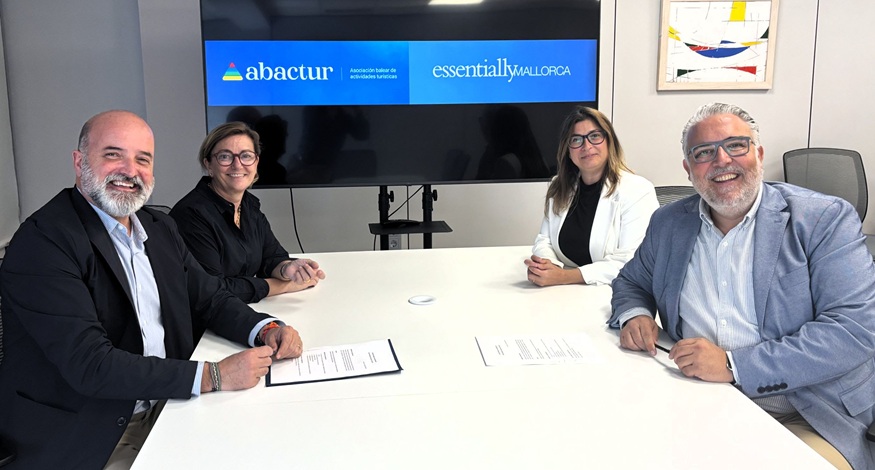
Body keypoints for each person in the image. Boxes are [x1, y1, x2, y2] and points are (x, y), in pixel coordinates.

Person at [0, 110, 305, 470]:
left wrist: (265, 329)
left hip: (170, 405)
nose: (130, 170)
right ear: (79, 162)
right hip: (93, 433)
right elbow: (91, 365)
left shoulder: (158, 226)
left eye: (142, 159)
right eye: (113, 154)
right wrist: (214, 375)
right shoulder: (44, 242)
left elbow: (209, 298)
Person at [609, 103, 875, 469]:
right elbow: (631, 281)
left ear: (759, 154)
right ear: (688, 168)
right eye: (704, 152)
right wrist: (635, 313)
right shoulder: (669, 223)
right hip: (695, 399)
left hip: (805, 413)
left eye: (736, 145)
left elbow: (852, 331)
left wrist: (735, 366)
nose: (722, 160)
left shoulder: (823, 219)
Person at [171, 122, 325, 311]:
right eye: (225, 156)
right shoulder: (191, 214)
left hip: (244, 311)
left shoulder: (249, 206)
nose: (237, 164)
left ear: (256, 163)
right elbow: (213, 290)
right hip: (204, 322)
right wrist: (283, 286)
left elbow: (271, 257)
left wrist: (288, 269)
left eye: (246, 156)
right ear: (208, 164)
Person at [525, 105, 658, 286]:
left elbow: (632, 260)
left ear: (609, 141)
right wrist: (546, 267)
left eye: (594, 136)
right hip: (564, 292)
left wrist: (564, 277)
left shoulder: (638, 190)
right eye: (576, 140)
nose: (586, 146)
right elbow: (544, 240)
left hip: (617, 291)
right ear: (568, 150)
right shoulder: (560, 187)